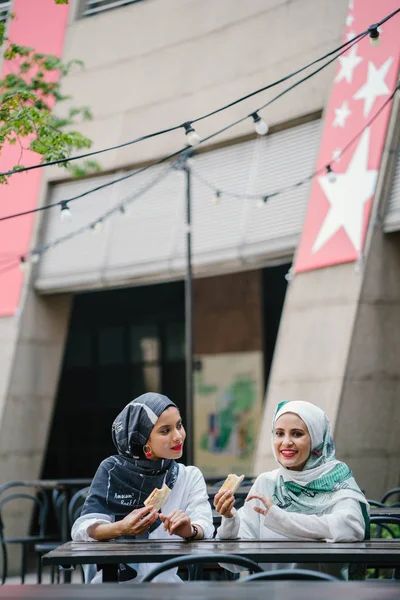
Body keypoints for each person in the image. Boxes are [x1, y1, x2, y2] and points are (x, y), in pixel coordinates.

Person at [214, 400, 370, 579]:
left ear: (317, 438)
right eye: (279, 433)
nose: (286, 442)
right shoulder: (267, 483)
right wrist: (230, 520)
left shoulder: (336, 479)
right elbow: (232, 562)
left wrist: (281, 518)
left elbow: (351, 527)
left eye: (297, 434)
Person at [72, 392, 214, 583]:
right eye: (165, 431)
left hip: (165, 586)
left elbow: (205, 525)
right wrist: (121, 528)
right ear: (143, 439)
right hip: (111, 586)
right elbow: (82, 529)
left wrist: (190, 530)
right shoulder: (112, 469)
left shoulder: (188, 476)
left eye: (179, 425)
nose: (178, 436)